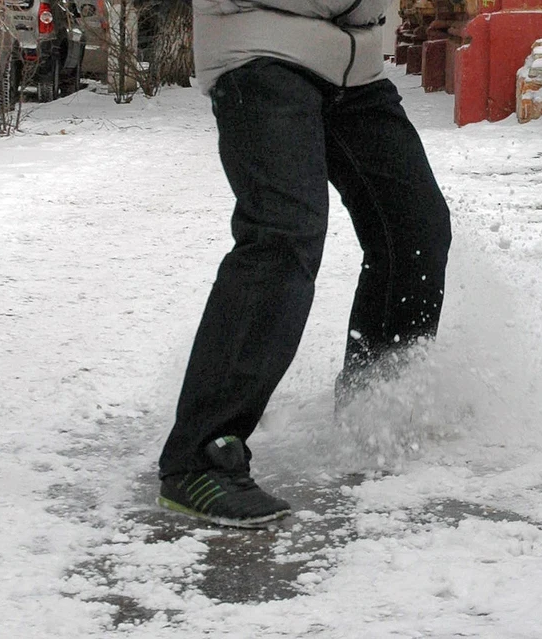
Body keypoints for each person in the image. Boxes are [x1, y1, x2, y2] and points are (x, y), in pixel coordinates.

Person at [156, 0, 452, 528]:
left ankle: (376, 408)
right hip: (260, 47)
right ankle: (199, 458)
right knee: (283, 236)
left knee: (415, 230)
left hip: (354, 64)